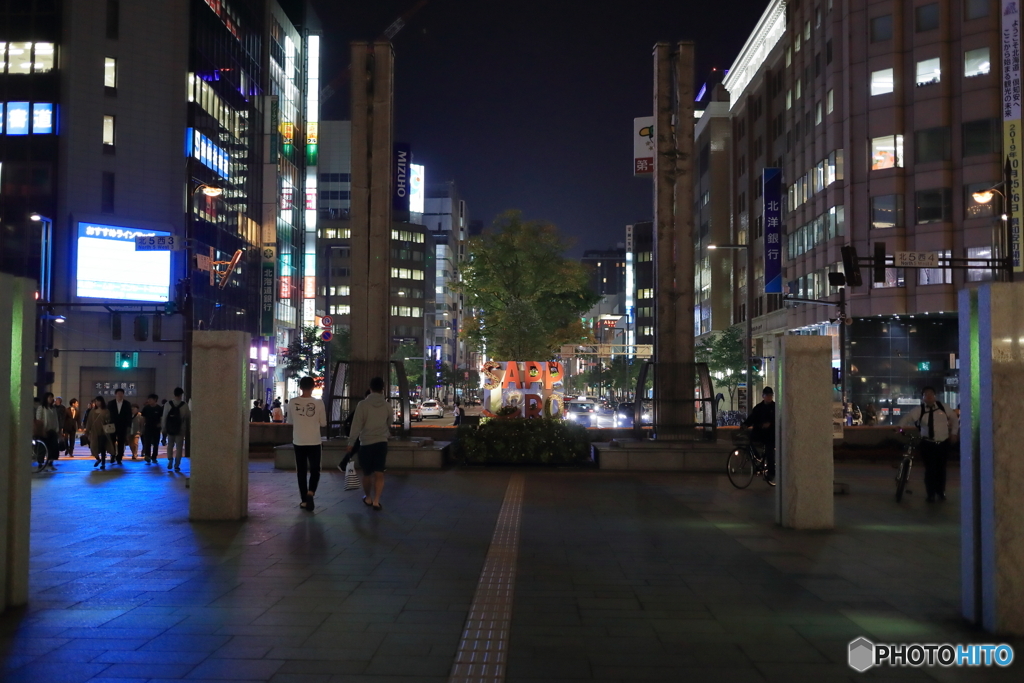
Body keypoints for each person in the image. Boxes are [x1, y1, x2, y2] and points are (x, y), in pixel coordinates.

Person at [899, 386, 959, 502]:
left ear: (935, 396)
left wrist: (954, 433)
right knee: (930, 470)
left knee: (941, 469)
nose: (929, 396)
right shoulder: (920, 410)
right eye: (926, 394)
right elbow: (908, 417)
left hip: (943, 443)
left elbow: (954, 418)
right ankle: (931, 494)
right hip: (928, 444)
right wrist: (900, 426)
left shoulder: (943, 407)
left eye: (931, 393)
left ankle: (941, 492)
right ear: (923, 397)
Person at [346, 376, 392, 511]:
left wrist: (351, 442)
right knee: (379, 472)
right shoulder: (387, 405)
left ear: (370, 388)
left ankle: (368, 497)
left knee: (367, 473)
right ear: (382, 389)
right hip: (382, 442)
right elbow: (390, 422)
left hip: (366, 443)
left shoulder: (362, 405)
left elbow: (356, 425)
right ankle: (377, 501)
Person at [287, 376, 327, 510]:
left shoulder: (292, 402)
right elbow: (324, 423)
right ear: (313, 387)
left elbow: (290, 421)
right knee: (315, 469)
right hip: (314, 440)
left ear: (300, 387)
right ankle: (311, 492)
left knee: (301, 471)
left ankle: (304, 500)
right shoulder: (319, 403)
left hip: (298, 440)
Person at [741, 386, 776, 482]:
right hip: (760, 432)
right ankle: (759, 458)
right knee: (751, 440)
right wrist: (745, 424)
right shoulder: (759, 407)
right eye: (767, 395)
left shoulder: (775, 407)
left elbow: (777, 419)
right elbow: (752, 417)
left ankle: (771, 473)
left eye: (770, 395)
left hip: (770, 434)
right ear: (763, 396)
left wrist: (770, 424)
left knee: (769, 451)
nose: (769, 397)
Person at [162, 387, 191, 471]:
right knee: (179, 447)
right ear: (181, 395)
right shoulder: (184, 405)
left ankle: (170, 460)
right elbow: (188, 417)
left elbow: (164, 417)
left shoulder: (168, 404)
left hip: (170, 428)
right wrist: (188, 428)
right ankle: (177, 464)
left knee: (170, 445)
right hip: (180, 428)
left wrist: (164, 428)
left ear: (174, 394)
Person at [35, 392, 61, 472]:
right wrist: (41, 429)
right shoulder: (41, 408)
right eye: (49, 397)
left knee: (53, 447)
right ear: (46, 398)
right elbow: (38, 419)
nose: (51, 399)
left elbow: (55, 419)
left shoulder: (53, 408)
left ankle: (50, 462)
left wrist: (57, 430)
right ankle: (40, 463)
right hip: (44, 430)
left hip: (52, 431)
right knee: (42, 448)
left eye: (52, 397)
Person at [107, 388, 132, 466]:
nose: (120, 395)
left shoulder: (127, 404)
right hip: (112, 425)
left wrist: (129, 426)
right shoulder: (110, 403)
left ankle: (119, 458)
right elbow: (107, 415)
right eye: (118, 393)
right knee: (112, 441)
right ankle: (112, 455)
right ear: (115, 394)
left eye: (121, 393)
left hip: (123, 426)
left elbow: (129, 416)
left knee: (121, 442)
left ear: (123, 394)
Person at [85, 396, 111, 469]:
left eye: (99, 401)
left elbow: (109, 420)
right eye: (96, 401)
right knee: (93, 447)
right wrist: (87, 431)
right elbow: (89, 422)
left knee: (102, 448)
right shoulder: (92, 411)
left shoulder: (106, 411)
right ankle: (98, 459)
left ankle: (103, 463)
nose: (97, 403)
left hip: (103, 432)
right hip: (94, 432)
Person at [141, 394, 162, 464]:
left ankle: (154, 457)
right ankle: (147, 456)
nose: (149, 401)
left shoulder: (159, 408)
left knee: (156, 443)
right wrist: (142, 427)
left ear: (155, 400)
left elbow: (162, 418)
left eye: (150, 399)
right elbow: (143, 418)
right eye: (148, 399)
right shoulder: (146, 408)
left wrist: (161, 424)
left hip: (156, 428)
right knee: (147, 442)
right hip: (148, 427)